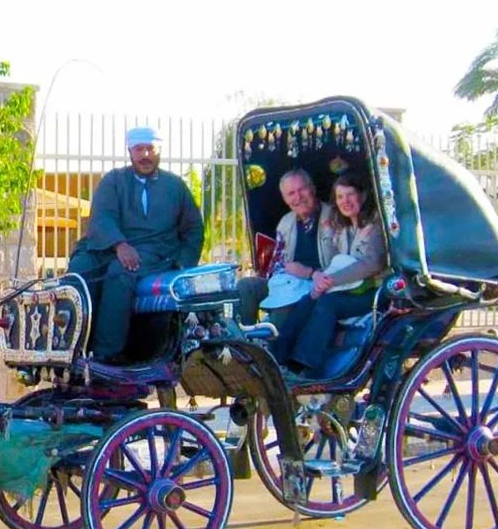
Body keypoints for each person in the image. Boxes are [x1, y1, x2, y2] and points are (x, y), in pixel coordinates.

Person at [67, 126, 204, 363]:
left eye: (150, 149)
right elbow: (102, 217)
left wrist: (183, 262)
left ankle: (106, 355)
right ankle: (69, 346)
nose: (145, 155)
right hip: (111, 247)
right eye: (139, 149)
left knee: (120, 273)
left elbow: (194, 228)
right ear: (130, 151)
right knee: (80, 269)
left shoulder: (175, 186)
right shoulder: (113, 180)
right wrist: (119, 245)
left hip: (155, 252)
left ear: (159, 150)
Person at [270, 172, 388, 377]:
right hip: (350, 288)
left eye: (350, 194)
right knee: (308, 300)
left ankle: (306, 365)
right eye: (340, 197)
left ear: (363, 195)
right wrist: (321, 284)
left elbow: (371, 264)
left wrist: (329, 280)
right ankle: (277, 358)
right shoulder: (344, 227)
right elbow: (338, 263)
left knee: (328, 304)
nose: (345, 201)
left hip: (375, 291)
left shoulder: (374, 224)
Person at [237, 168, 338, 324]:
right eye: (291, 193)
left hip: (318, 283)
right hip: (288, 282)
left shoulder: (334, 218)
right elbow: (278, 263)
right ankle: (245, 341)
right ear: (285, 199)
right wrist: (271, 280)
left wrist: (309, 273)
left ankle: (272, 345)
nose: (298, 197)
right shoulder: (286, 222)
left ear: (312, 189)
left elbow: (344, 263)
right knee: (247, 286)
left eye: (302, 189)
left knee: (284, 305)